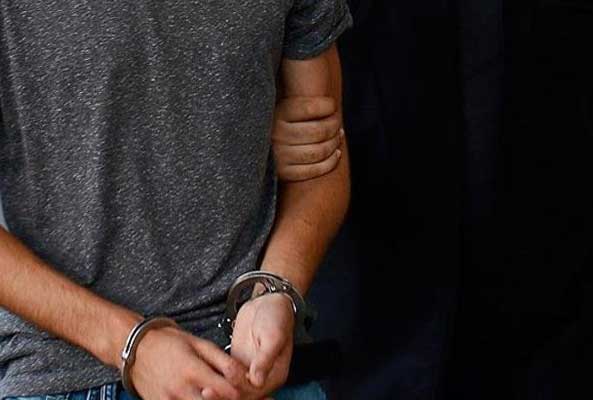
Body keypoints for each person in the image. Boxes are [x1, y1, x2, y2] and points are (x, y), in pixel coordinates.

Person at [0, 2, 352, 400]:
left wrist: (276, 288)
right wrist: (130, 344)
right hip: (69, 372)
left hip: (255, 365)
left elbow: (320, 157)